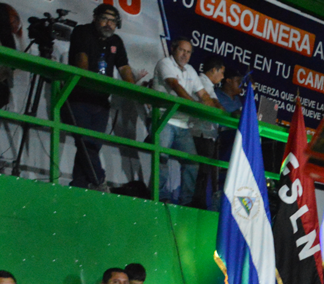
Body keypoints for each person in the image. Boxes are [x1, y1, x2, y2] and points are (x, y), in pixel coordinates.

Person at [66, 5, 142, 190]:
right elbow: (81, 58)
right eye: (105, 19)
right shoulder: (82, 31)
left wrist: (133, 90)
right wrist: (88, 80)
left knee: (91, 146)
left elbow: (123, 67)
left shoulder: (116, 41)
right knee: (84, 142)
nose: (109, 24)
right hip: (79, 97)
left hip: (101, 101)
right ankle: (100, 181)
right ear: (95, 18)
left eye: (113, 21)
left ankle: (79, 186)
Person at [153, 39, 218, 206]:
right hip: (164, 119)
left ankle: (185, 202)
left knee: (192, 164)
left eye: (188, 52)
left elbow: (204, 95)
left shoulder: (190, 70)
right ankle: (158, 198)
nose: (185, 55)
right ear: (173, 49)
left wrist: (218, 111)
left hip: (182, 124)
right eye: (182, 50)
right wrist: (192, 104)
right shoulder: (165, 63)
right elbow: (174, 85)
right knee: (161, 157)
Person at [191, 57, 226, 210]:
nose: (223, 77)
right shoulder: (202, 82)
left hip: (206, 134)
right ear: (214, 70)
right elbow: (214, 105)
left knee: (204, 172)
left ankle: (198, 200)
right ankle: (195, 202)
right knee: (201, 171)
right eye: (222, 73)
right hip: (201, 133)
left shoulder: (209, 86)